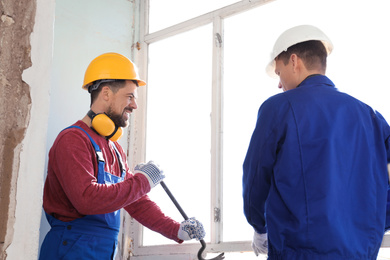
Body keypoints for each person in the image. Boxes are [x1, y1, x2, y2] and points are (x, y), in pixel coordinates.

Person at [242, 25, 390, 259]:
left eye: (279, 73)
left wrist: (258, 226)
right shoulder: (371, 116)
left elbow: (256, 176)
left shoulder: (278, 108)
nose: (279, 84)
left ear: (293, 61)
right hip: (362, 252)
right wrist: (372, 229)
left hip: (299, 252)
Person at [39, 52, 205, 259]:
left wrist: (176, 230)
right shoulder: (72, 140)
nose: (134, 105)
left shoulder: (115, 149)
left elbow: (135, 201)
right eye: (130, 96)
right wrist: (144, 180)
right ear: (106, 93)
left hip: (104, 248)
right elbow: (86, 200)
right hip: (72, 247)